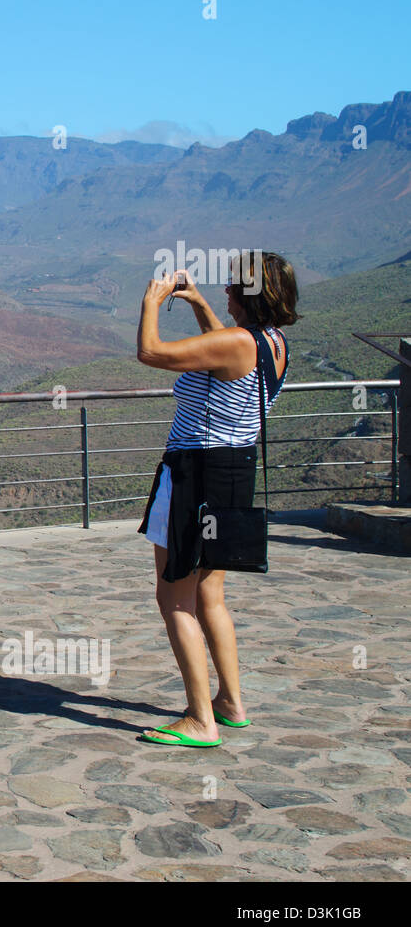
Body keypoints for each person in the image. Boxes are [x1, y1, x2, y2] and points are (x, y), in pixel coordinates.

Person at [135, 251, 297, 746]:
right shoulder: (271, 343)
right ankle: (230, 701)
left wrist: (152, 300)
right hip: (232, 474)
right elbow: (221, 346)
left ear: (249, 296)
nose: (226, 292)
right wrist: (198, 303)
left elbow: (152, 353)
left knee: (174, 598)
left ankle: (201, 720)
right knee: (211, 595)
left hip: (194, 476)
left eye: (231, 287)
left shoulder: (234, 344)